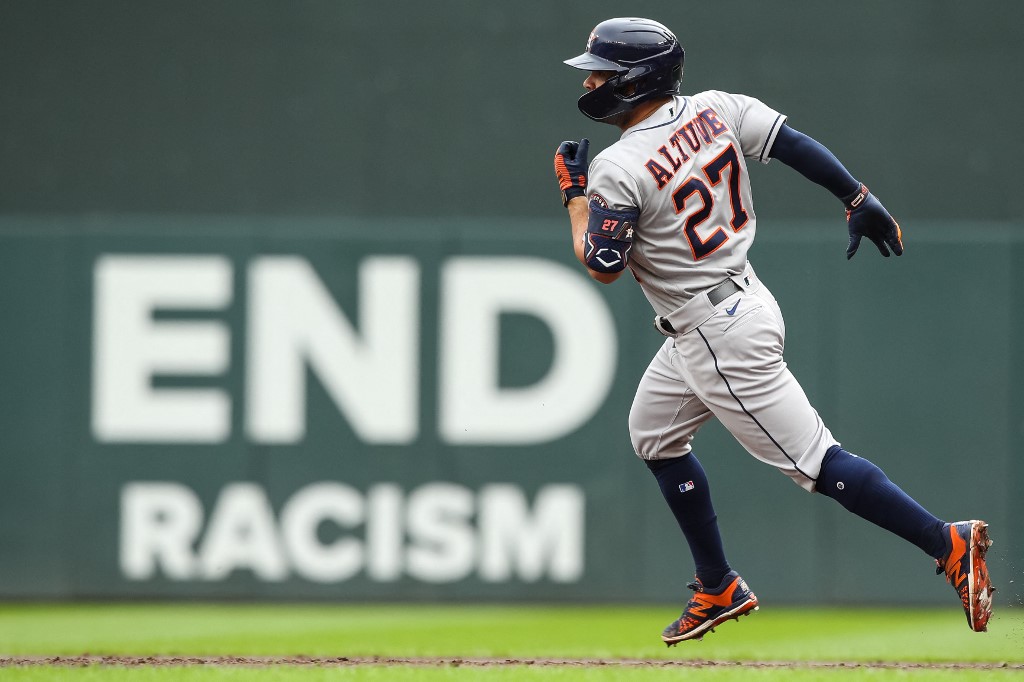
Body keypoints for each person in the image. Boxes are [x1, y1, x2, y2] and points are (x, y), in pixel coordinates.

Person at [552, 17, 994, 646]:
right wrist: (855, 194)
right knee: (652, 433)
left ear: (632, 81)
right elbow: (793, 143)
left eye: (601, 71)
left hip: (713, 332)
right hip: (739, 301)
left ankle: (944, 541)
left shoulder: (618, 167)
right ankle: (717, 585)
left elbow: (601, 266)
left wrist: (573, 194)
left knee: (817, 463)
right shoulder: (718, 108)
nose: (591, 80)